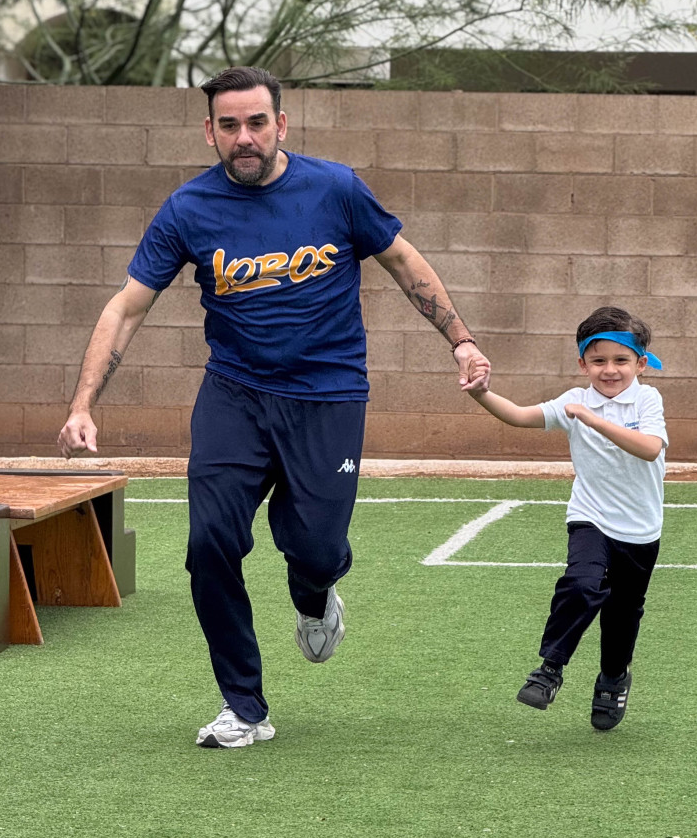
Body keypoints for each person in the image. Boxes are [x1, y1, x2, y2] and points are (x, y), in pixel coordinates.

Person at [58, 65, 490, 749]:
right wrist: (83, 404)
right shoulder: (188, 209)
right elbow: (126, 307)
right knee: (209, 545)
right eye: (229, 125)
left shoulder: (336, 189)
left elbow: (406, 264)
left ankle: (315, 594)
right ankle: (244, 706)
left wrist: (460, 340)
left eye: (257, 122)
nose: (245, 137)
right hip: (234, 397)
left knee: (315, 549)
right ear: (210, 132)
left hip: (329, 397)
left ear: (280, 124)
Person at [466, 306, 666, 730]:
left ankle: (613, 677)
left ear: (641, 364)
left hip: (641, 529)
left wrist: (594, 420)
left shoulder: (647, 399)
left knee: (623, 614)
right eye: (598, 360)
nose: (609, 370)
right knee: (581, 583)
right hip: (590, 517)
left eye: (621, 360)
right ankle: (550, 669)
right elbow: (520, 415)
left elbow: (650, 448)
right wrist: (481, 393)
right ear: (582, 364)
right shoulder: (574, 401)